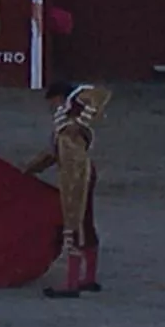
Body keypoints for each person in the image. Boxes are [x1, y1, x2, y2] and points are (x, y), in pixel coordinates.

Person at [19, 83, 112, 299]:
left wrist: (82, 120)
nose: (52, 107)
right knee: (84, 222)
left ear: (59, 96)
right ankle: (88, 278)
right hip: (80, 171)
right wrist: (29, 170)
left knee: (74, 223)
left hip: (76, 174)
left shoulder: (74, 107)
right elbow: (52, 154)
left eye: (52, 102)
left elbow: (101, 93)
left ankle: (71, 283)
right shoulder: (65, 121)